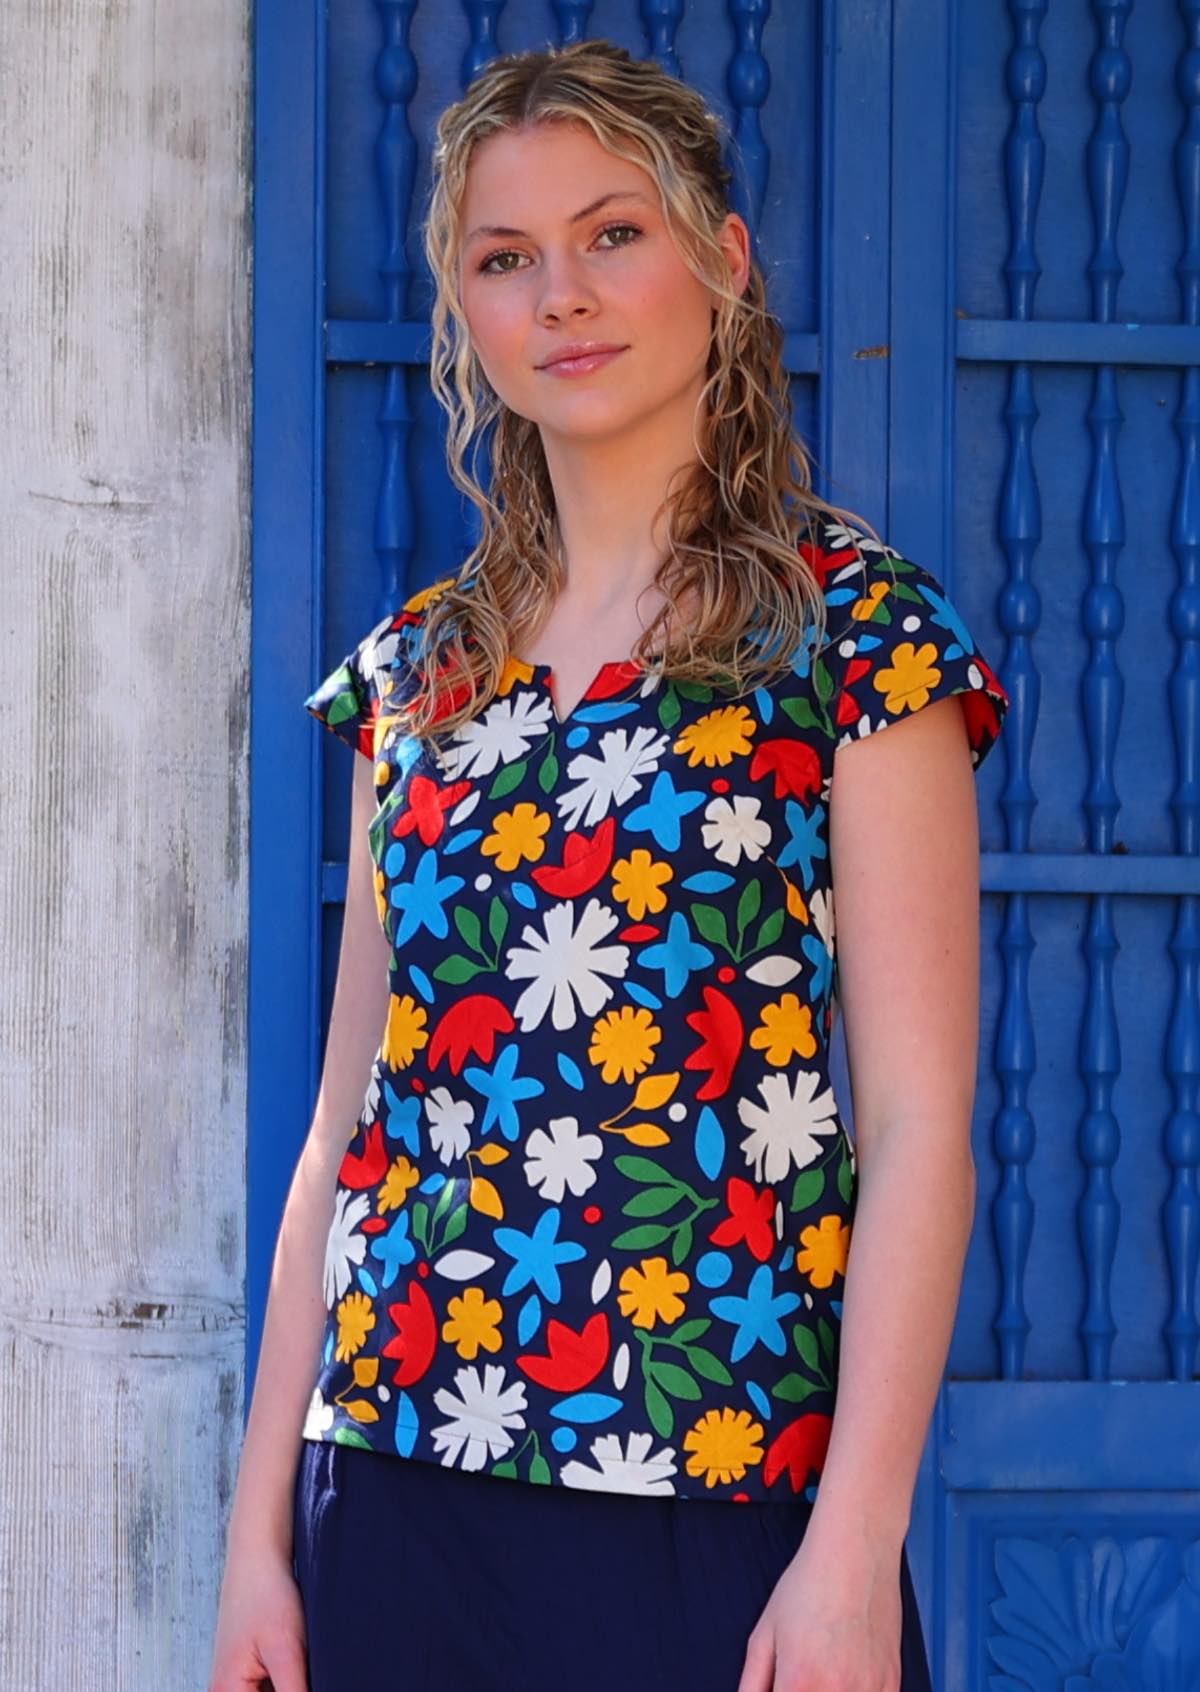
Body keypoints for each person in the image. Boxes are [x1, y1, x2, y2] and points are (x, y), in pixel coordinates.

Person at [209, 37, 1009, 1692]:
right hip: (395, 1492)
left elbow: (922, 1128)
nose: (561, 294)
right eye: (506, 258)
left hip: (716, 1502)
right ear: (467, 311)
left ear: (723, 259)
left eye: (612, 234)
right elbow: (342, 1134)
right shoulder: (419, 673)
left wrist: (853, 1549)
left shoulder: (855, 635)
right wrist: (255, 1542)